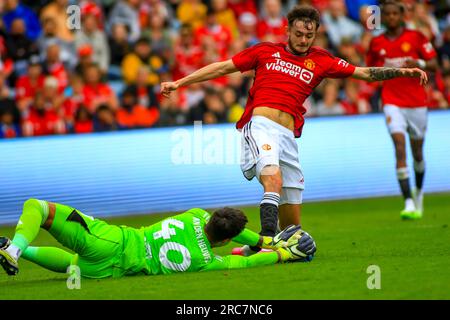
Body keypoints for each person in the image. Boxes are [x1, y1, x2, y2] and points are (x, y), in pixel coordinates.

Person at [160, 4, 428, 256]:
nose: (303, 40)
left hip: (288, 137)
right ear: (287, 30)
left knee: (292, 232)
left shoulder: (322, 61)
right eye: (298, 34)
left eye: (309, 35)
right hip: (260, 126)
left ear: (315, 34)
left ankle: (253, 249)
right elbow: (223, 66)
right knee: (272, 179)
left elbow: (366, 73)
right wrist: (180, 82)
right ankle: (264, 242)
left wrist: (403, 73)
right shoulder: (264, 51)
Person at [0, 198, 315, 277]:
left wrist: (262, 241)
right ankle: (10, 249)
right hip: (112, 270)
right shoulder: (205, 261)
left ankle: (14, 248)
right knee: (72, 267)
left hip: (113, 240)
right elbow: (242, 264)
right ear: (223, 241)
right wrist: (280, 252)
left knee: (37, 208)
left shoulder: (195, 215)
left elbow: (234, 235)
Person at [366, 0, 437, 220]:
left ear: (402, 15)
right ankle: (407, 201)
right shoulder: (377, 42)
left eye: (395, 14)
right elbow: (369, 69)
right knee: (399, 145)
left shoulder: (416, 38)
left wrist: (420, 63)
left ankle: (419, 194)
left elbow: (436, 64)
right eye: (386, 14)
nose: (391, 18)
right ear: (383, 17)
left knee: (417, 152)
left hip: (416, 102)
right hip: (392, 100)